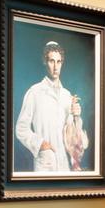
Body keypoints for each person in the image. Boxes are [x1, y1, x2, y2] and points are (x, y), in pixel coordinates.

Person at [15, 39, 89, 173]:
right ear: (45, 62)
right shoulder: (34, 92)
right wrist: (41, 144)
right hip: (45, 163)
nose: (55, 66)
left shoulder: (67, 96)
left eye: (59, 61)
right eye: (51, 61)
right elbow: (21, 129)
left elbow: (73, 140)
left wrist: (76, 118)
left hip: (65, 165)